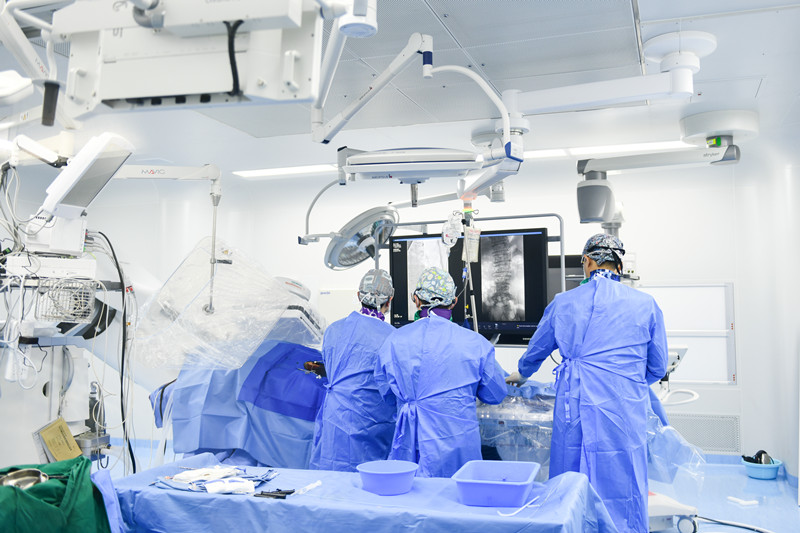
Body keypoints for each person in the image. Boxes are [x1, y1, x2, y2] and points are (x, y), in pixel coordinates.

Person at [506, 233, 668, 533]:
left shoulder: (564, 303)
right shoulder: (646, 304)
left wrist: (521, 374)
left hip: (575, 403)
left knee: (571, 474)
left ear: (588, 262)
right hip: (623, 408)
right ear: (619, 265)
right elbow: (657, 367)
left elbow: (536, 351)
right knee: (625, 476)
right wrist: (624, 381)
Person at [375, 267, 507, 478]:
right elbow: (495, 394)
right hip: (457, 448)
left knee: (410, 495)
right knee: (456, 495)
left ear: (415, 299)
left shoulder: (394, 341)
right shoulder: (475, 343)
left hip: (411, 445)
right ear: (454, 302)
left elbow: (388, 396)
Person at [309, 268, 397, 471]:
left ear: (358, 295)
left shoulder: (333, 330)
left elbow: (330, 369)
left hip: (335, 415)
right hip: (371, 420)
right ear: (390, 299)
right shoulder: (393, 337)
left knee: (333, 472)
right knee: (368, 476)